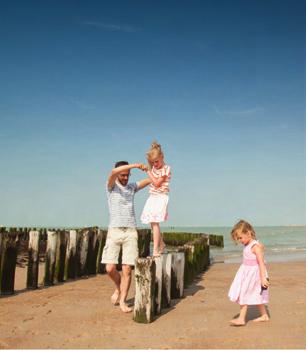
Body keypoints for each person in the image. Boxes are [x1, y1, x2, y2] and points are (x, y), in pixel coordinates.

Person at [102, 161, 151, 313]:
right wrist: (135, 165)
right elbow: (112, 172)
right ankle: (118, 286)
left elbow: (150, 180)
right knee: (109, 268)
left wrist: (153, 170)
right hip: (114, 231)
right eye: (122, 175)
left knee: (127, 269)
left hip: (130, 231)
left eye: (127, 176)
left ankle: (123, 301)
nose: (125, 178)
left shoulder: (131, 188)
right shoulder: (111, 186)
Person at [228, 219, 270, 326]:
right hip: (247, 274)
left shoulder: (255, 247)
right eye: (238, 239)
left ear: (249, 233)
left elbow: (261, 263)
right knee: (256, 295)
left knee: (244, 294)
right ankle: (264, 315)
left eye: (240, 238)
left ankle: (241, 319)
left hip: (255, 275)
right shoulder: (247, 245)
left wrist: (263, 278)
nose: (239, 240)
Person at [141, 141, 171, 256]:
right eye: (153, 163)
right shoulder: (153, 168)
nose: (155, 164)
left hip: (161, 197)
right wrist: (147, 167)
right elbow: (149, 167)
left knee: (155, 223)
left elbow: (158, 183)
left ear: (162, 157)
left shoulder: (166, 169)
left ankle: (156, 249)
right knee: (151, 222)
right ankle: (162, 244)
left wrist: (148, 171)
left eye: (157, 161)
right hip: (152, 197)